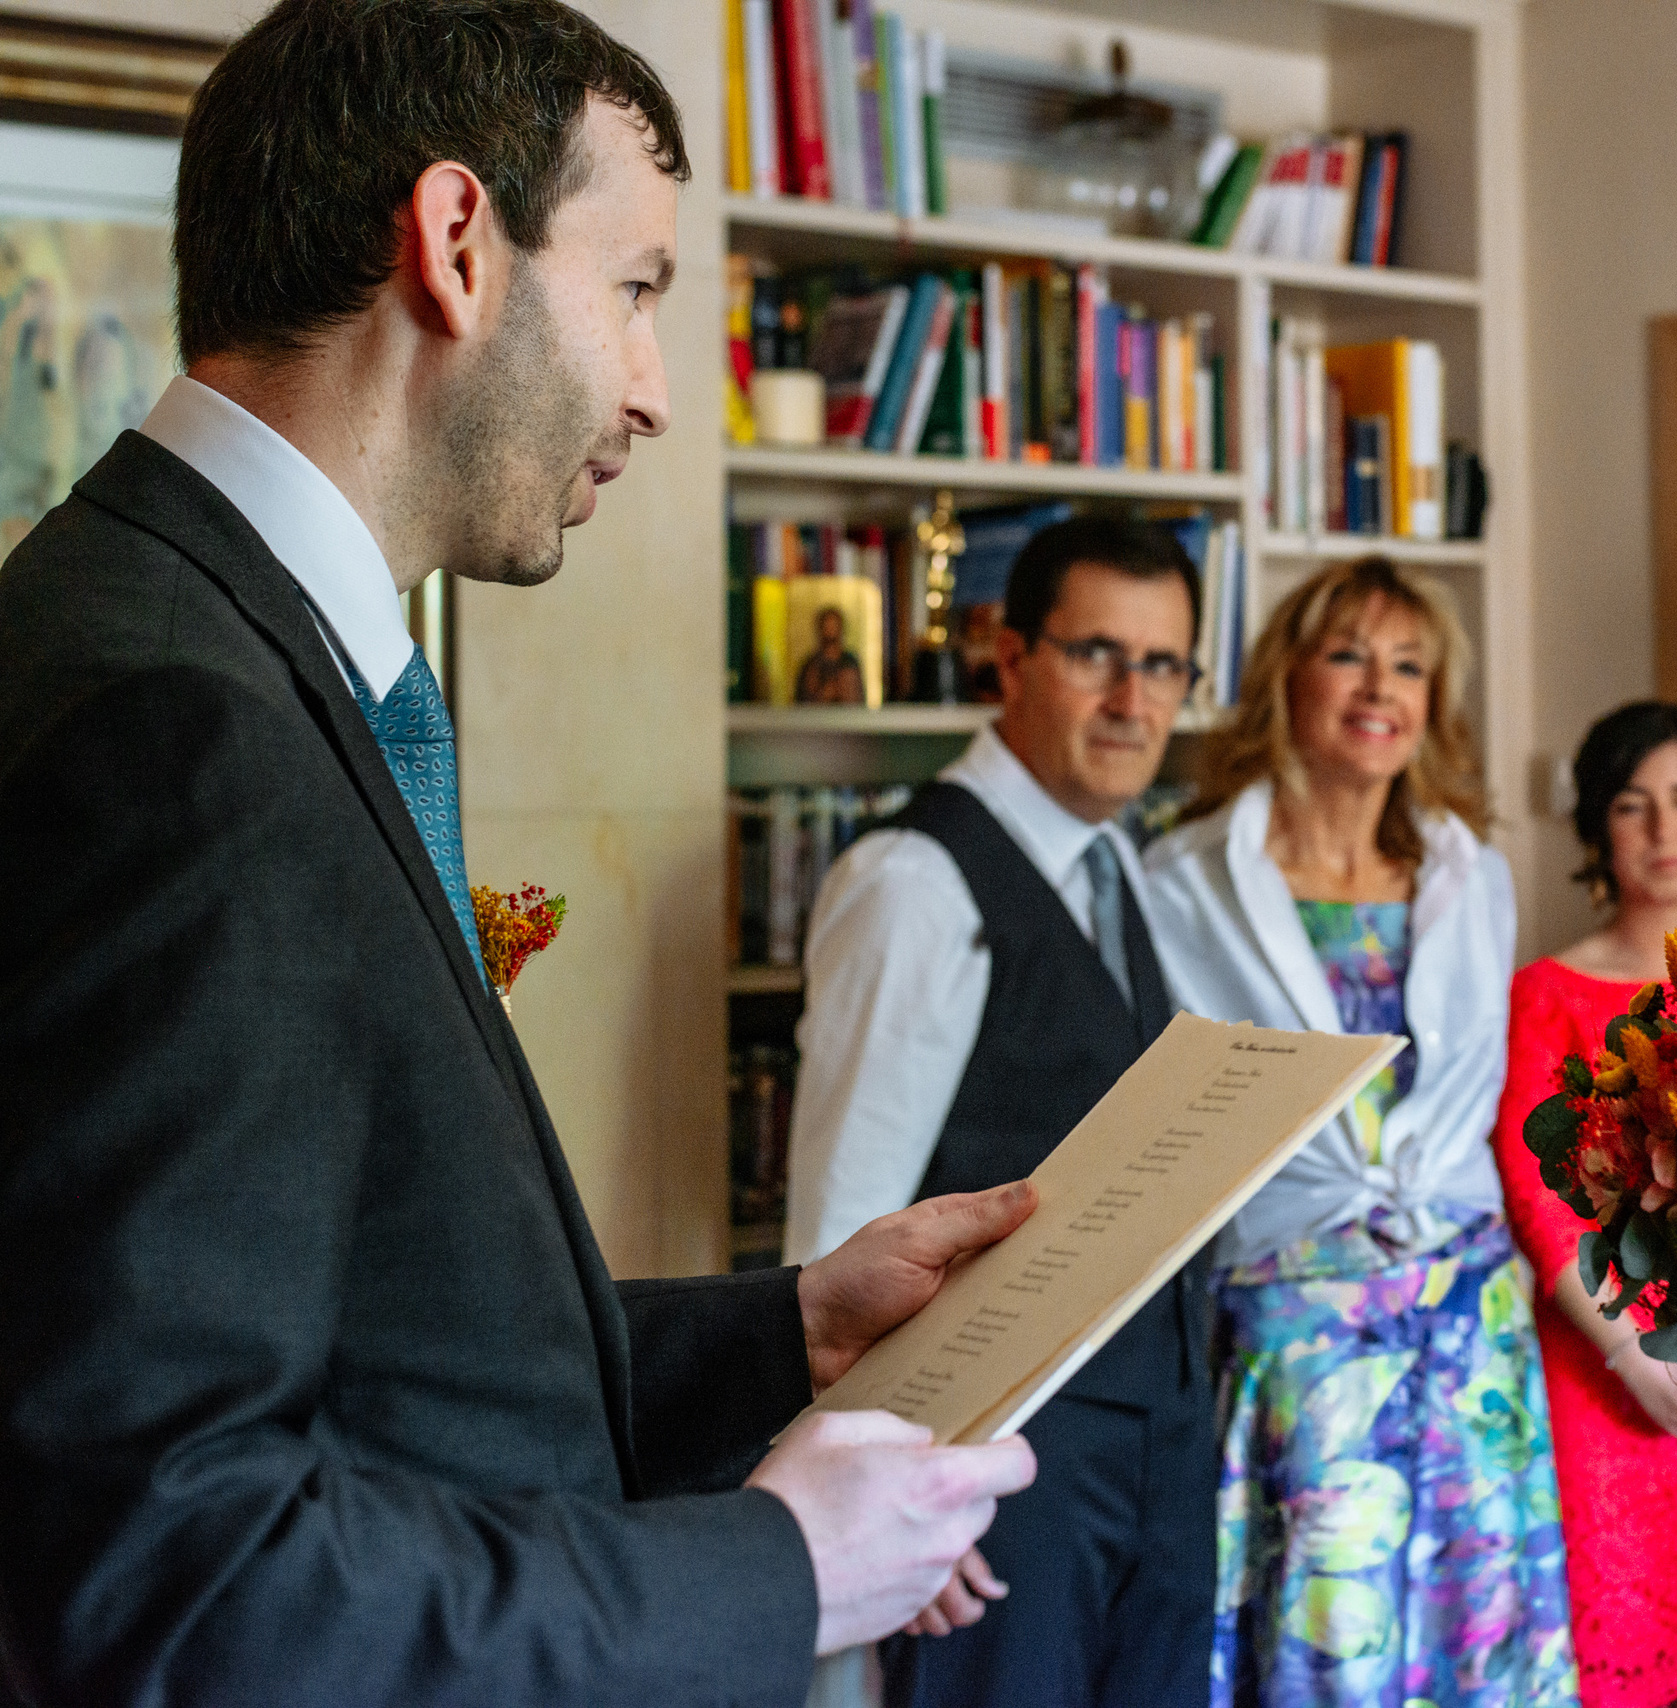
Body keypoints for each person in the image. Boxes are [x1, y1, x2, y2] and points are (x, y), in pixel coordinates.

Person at [0, 3, 1040, 1703]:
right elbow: (163, 1564)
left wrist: (786, 1327)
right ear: (459, 243)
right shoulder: (180, 733)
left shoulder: (157, 622)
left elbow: (378, 1350)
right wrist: (777, 1564)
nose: (652, 390)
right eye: (636, 290)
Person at [786, 512, 1216, 1708]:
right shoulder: (913, 882)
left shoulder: (1118, 860)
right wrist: (885, 1485)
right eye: (1097, 655)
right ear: (1009, 658)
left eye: (1165, 664)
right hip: (993, 1473)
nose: (1135, 699)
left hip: (1156, 1441)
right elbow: (839, 1223)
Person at [1146, 555, 1578, 1708]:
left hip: (1473, 1314)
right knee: (1329, 1627)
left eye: (1409, 663)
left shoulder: (1469, 871)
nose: (1378, 685)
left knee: (1475, 1617)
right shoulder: (1179, 877)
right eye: (1347, 653)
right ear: (1286, 675)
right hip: (1292, 1303)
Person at [1490, 700, 1677, 1708]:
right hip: (1597, 1369)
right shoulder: (1544, 991)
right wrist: (1626, 1348)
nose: (1662, 830)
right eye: (1633, 804)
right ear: (1596, 831)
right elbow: (1534, 1193)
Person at [797, 604, 866, 704]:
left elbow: (857, 700)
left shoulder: (849, 662)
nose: (830, 630)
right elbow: (803, 702)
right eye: (826, 626)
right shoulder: (811, 665)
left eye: (834, 626)